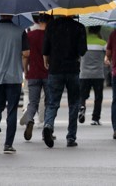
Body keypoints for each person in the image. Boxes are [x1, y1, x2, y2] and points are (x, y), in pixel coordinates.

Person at [0, 15, 29, 154]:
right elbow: (26, 53)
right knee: (11, 111)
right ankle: (8, 144)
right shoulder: (20, 31)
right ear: (12, 15)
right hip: (14, 77)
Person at [42, 15, 87, 148]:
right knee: (73, 104)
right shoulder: (79, 27)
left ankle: (48, 125)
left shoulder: (51, 26)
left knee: (52, 103)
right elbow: (82, 51)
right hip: (72, 69)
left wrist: (46, 60)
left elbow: (45, 48)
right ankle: (71, 137)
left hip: (55, 69)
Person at [21, 14, 52, 141]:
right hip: (48, 74)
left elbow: (25, 56)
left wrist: (26, 70)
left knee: (33, 102)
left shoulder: (29, 36)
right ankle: (47, 128)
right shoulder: (49, 36)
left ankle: (29, 120)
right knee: (49, 103)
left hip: (33, 73)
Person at [78, 25, 107, 126]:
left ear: (88, 30)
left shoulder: (82, 41)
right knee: (98, 97)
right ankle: (95, 118)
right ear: (98, 30)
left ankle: (81, 106)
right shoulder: (103, 43)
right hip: (98, 74)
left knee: (82, 95)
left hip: (84, 74)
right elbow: (108, 56)